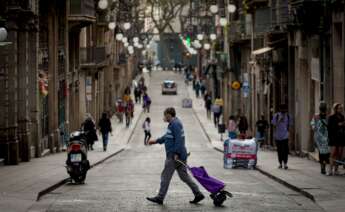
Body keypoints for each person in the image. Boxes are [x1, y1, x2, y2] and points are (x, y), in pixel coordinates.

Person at [146, 107, 205, 205]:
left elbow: (179, 140)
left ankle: (160, 197)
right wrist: (156, 141)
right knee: (184, 177)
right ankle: (198, 194)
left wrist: (176, 154)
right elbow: (167, 137)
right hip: (180, 156)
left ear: (169, 115)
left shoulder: (175, 124)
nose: (164, 117)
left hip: (174, 156)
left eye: (165, 115)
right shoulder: (173, 124)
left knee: (165, 176)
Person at [311, 102, 330, 175]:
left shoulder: (316, 116)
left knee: (322, 153)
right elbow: (313, 125)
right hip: (324, 138)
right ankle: (323, 166)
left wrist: (315, 128)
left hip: (320, 137)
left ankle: (323, 166)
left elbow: (313, 125)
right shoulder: (326, 117)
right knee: (324, 153)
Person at [327, 103, 345, 175]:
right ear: (335, 109)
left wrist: (343, 125)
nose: (341, 109)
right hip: (333, 138)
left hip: (341, 138)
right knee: (333, 153)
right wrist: (338, 125)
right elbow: (329, 128)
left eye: (341, 108)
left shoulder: (342, 117)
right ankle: (330, 170)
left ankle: (336, 170)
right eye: (339, 108)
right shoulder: (331, 117)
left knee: (339, 154)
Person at [271, 104, 291, 169]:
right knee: (279, 151)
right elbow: (273, 125)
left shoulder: (288, 116)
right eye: (282, 109)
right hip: (278, 136)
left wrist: (289, 135)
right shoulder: (276, 116)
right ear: (280, 109)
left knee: (285, 150)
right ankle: (280, 163)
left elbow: (290, 125)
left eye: (284, 109)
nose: (283, 111)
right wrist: (278, 121)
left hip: (285, 136)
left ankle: (285, 163)